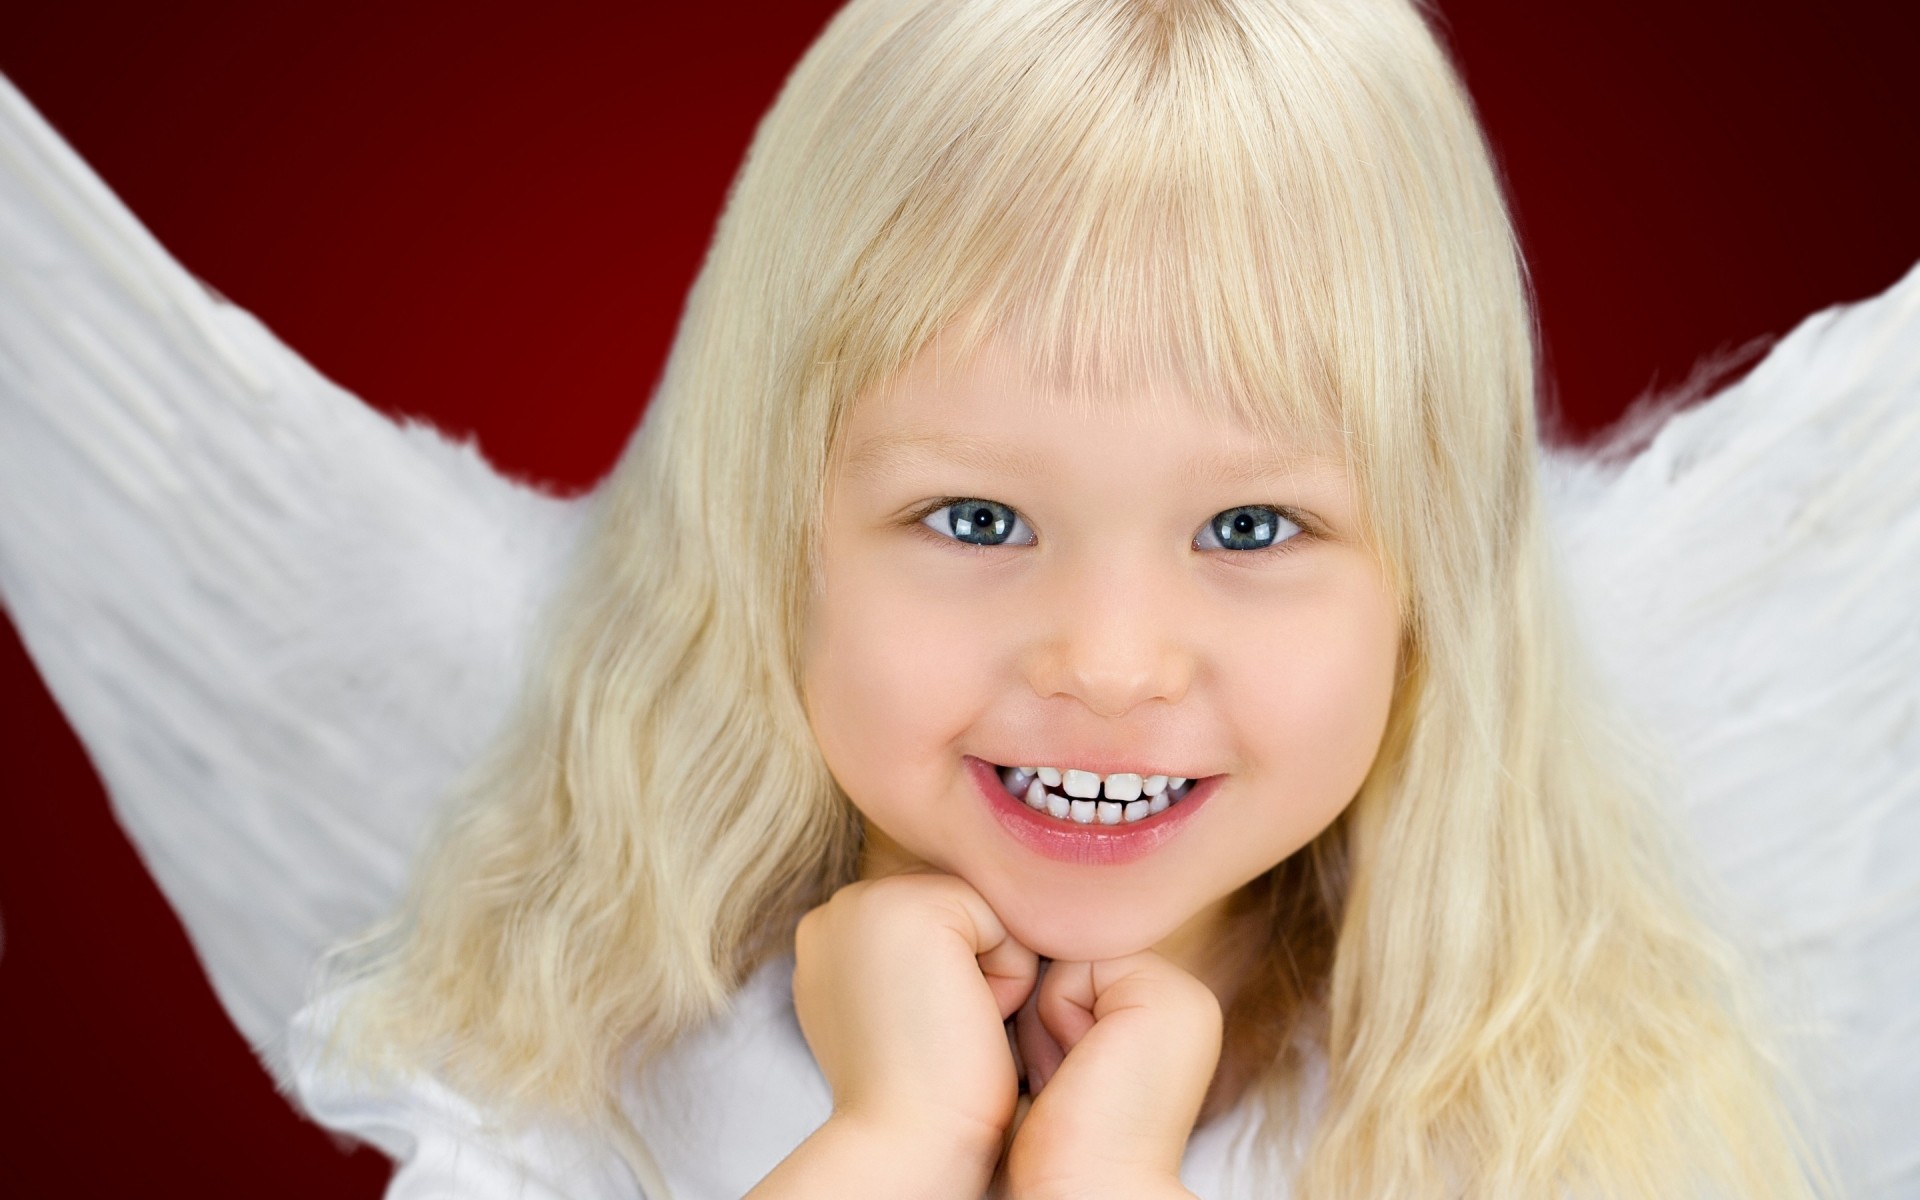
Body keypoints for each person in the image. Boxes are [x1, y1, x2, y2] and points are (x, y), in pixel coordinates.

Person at [3, 1, 1914, 1197]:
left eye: (1252, 533)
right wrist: (895, 1145)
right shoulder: (588, 1085)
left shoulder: (1548, 1136)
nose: (1104, 660)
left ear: (1438, 599)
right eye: (977, 519)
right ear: (776, 541)